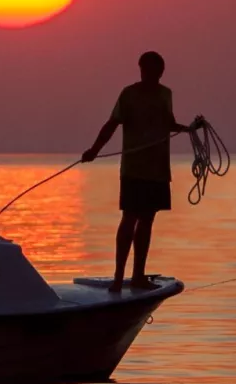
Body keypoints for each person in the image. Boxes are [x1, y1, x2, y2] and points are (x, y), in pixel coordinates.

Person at [81, 50, 190, 292]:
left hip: (158, 169)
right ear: (140, 69)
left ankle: (138, 275)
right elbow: (112, 124)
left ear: (161, 72)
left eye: (155, 70)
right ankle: (119, 278)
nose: (150, 74)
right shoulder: (129, 95)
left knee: (148, 219)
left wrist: (189, 129)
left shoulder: (165, 94)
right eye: (146, 69)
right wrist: (94, 150)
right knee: (129, 217)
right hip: (134, 168)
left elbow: (168, 123)